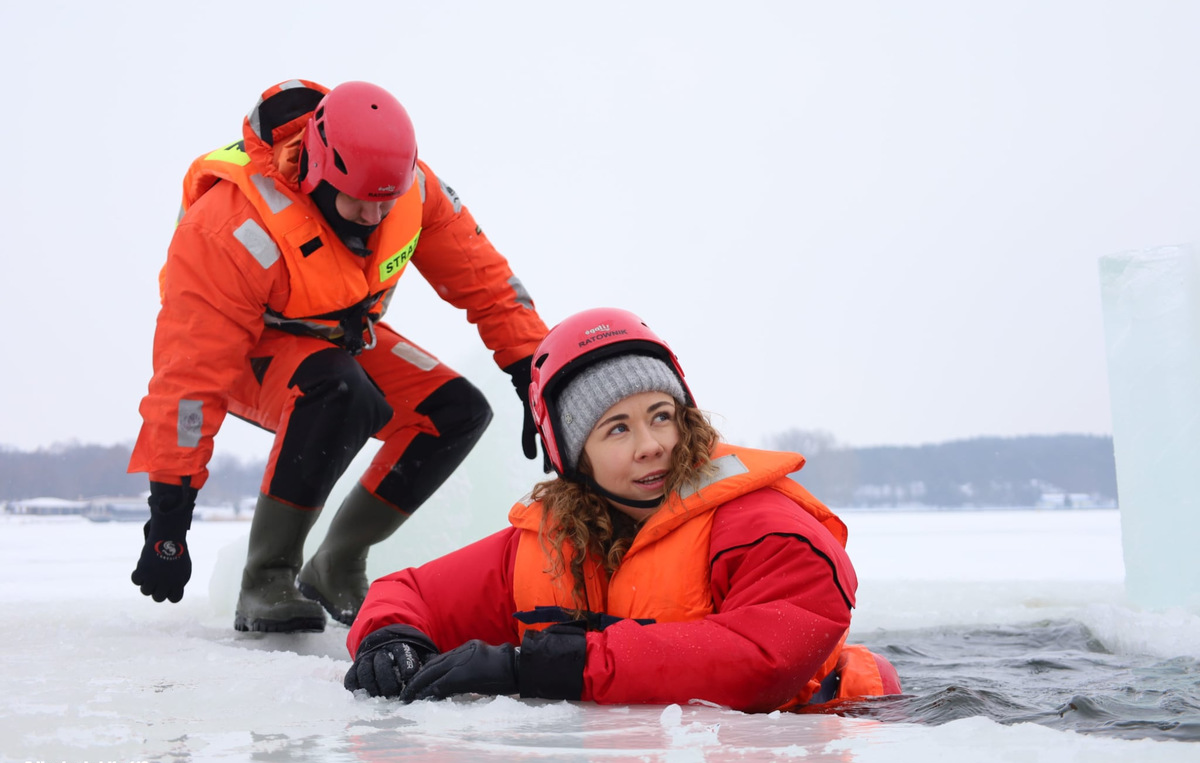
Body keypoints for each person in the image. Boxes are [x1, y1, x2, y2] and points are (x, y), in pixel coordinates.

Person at [128, 79, 550, 634]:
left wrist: (536, 374)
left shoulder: (413, 191)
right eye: (360, 204)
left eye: (386, 203)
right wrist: (169, 514)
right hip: (250, 353)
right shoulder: (229, 226)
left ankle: (337, 563)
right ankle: (267, 579)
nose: (375, 218)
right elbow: (188, 375)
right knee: (339, 389)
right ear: (318, 173)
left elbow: (488, 283)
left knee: (457, 410)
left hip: (341, 337)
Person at [343, 308, 900, 712]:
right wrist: (389, 640)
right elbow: (408, 592)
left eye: (662, 415)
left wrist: (538, 666)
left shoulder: (766, 529)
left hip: (832, 736)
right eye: (617, 429)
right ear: (571, 455)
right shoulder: (547, 545)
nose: (651, 445)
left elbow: (762, 661)